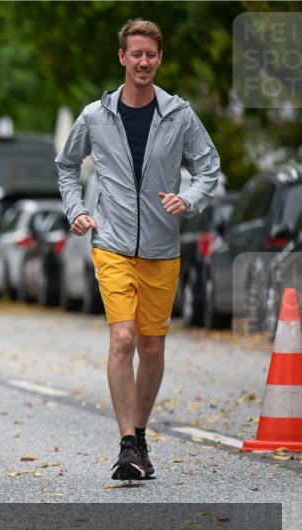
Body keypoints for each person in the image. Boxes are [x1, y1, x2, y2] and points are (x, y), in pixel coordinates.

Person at [55, 18, 220, 480]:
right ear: (122, 58)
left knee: (151, 346)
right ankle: (127, 443)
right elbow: (67, 167)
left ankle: (141, 437)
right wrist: (76, 211)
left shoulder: (180, 115)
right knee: (123, 338)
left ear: (159, 59)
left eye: (151, 54)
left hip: (163, 247)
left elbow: (210, 168)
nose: (143, 61)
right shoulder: (94, 116)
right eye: (136, 54)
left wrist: (188, 200)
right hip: (110, 241)